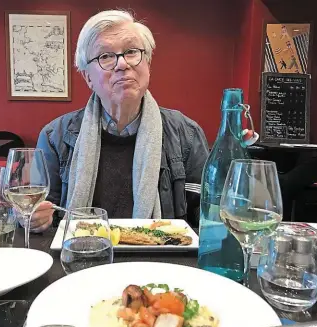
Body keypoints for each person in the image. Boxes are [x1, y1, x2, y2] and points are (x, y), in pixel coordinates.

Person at [29, 9, 209, 232]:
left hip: (160, 261)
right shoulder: (53, 137)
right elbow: (36, 214)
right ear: (88, 78)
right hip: (82, 257)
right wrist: (34, 219)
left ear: (148, 64)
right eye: (105, 56)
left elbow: (205, 218)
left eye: (131, 52)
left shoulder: (186, 135)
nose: (122, 64)